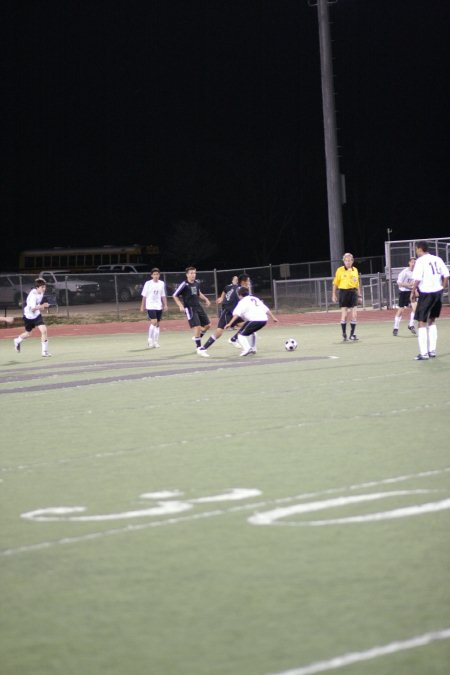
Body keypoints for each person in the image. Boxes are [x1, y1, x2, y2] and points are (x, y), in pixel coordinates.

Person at [410, 240, 449, 360]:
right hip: (437, 293)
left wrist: (413, 291)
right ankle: (432, 351)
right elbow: (446, 275)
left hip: (426, 293)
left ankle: (424, 353)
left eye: (416, 249)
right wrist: (442, 287)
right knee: (432, 320)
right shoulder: (437, 259)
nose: (416, 251)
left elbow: (417, 279)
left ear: (420, 249)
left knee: (422, 322)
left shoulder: (420, 261)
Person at [197, 273, 251, 357]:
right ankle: (202, 349)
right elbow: (237, 301)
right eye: (248, 281)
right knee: (218, 332)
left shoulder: (236, 287)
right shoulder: (241, 290)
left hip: (234, 313)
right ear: (243, 282)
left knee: (247, 325)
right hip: (228, 313)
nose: (249, 283)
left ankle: (234, 339)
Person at [224, 287, 278, 356]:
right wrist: (273, 317)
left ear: (239, 295)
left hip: (255, 320)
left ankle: (247, 349)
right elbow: (266, 309)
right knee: (252, 332)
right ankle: (253, 348)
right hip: (264, 320)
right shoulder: (255, 298)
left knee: (240, 335)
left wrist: (229, 323)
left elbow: (236, 314)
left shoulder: (242, 302)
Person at [172, 266, 211, 352]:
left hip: (198, 306)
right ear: (187, 275)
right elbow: (175, 295)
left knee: (208, 326)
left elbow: (198, 293)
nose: (193, 275)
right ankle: (199, 347)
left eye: (194, 273)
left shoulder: (197, 283)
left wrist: (206, 299)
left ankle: (197, 338)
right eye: (191, 273)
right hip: (190, 308)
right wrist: (180, 305)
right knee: (197, 327)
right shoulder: (184, 284)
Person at [13, 278, 51, 356]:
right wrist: (42, 306)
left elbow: (42, 301)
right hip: (28, 316)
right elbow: (33, 309)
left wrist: (44, 304)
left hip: (37, 316)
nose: (44, 289)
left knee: (44, 330)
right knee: (28, 333)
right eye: (42, 287)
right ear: (37, 288)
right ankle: (17, 341)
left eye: (44, 287)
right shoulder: (33, 295)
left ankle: (44, 352)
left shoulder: (41, 292)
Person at [331, 252, 362, 341]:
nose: (348, 262)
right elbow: (335, 283)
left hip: (353, 293)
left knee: (354, 314)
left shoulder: (355, 270)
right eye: (346, 260)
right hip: (343, 293)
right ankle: (344, 333)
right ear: (343, 261)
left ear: (352, 261)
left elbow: (357, 283)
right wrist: (333, 294)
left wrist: (359, 295)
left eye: (349, 260)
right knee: (344, 315)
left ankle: (352, 335)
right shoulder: (339, 270)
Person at [140, 268, 168, 348]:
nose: (156, 276)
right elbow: (144, 296)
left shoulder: (161, 283)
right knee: (154, 322)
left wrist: (165, 304)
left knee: (158, 324)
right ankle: (150, 339)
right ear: (152, 275)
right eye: (154, 274)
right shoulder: (148, 283)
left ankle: (155, 341)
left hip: (158, 306)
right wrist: (142, 305)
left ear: (159, 275)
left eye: (157, 274)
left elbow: (163, 295)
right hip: (150, 305)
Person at [392, 258, 417, 336]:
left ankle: (411, 325)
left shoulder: (417, 272)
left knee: (415, 309)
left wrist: (415, 290)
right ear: (409, 263)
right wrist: (408, 285)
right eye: (412, 262)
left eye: (415, 262)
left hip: (411, 292)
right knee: (401, 310)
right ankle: (395, 327)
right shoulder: (404, 272)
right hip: (403, 292)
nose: (413, 264)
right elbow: (399, 283)